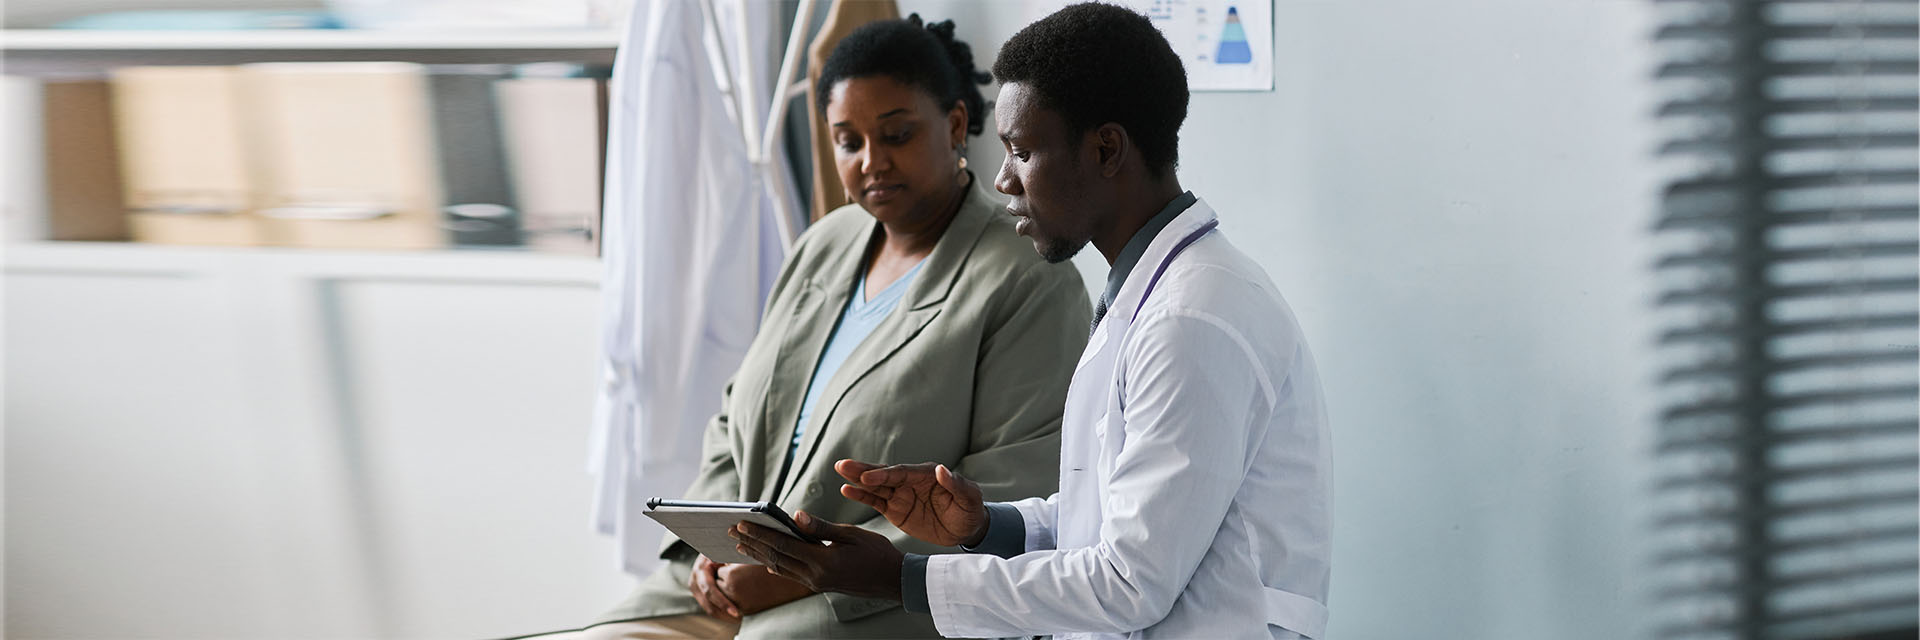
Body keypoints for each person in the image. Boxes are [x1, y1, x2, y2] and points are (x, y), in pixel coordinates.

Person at [728, 4, 1333, 639]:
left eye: (1020, 150)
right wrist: (987, 525)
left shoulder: (1193, 319)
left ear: (1105, 149)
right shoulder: (1152, 293)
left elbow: (1128, 583)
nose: (1002, 177)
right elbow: (1113, 512)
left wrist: (900, 577)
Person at [564, 14, 1091, 640]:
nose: (873, 161)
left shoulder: (1025, 278)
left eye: (896, 134)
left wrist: (799, 569)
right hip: (730, 581)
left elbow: (1011, 488)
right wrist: (709, 543)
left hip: (880, 597)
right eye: (848, 141)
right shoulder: (824, 245)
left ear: (954, 125)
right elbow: (736, 423)